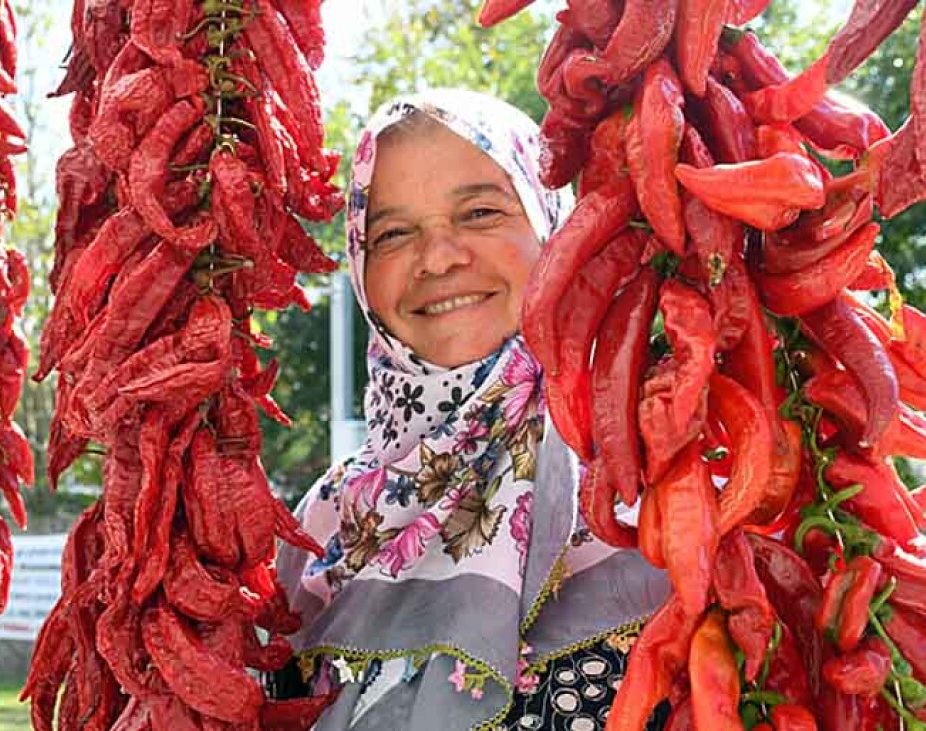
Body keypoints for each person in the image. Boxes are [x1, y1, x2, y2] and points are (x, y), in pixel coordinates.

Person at [275, 88, 671, 731]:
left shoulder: (652, 492)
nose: (438, 258)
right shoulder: (321, 529)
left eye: (481, 212)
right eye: (394, 233)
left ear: (554, 230)